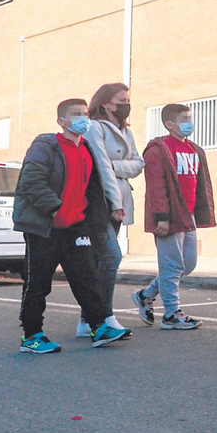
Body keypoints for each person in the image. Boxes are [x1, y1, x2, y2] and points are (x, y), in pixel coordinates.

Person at [13, 99, 130, 354]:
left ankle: (99, 327)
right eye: (76, 115)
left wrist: (92, 219)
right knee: (38, 283)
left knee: (86, 278)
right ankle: (31, 336)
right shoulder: (46, 145)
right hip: (45, 227)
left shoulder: (86, 148)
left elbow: (92, 188)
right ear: (61, 121)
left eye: (85, 114)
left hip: (76, 227)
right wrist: (56, 209)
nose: (83, 119)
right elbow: (31, 182)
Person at [131, 103, 216, 331]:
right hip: (169, 217)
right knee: (171, 265)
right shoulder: (159, 149)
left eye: (190, 118)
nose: (189, 123)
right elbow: (156, 186)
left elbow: (200, 185)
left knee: (187, 264)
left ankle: (145, 295)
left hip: (188, 215)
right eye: (184, 119)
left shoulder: (195, 149)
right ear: (170, 124)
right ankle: (171, 314)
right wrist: (162, 217)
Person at [82, 82, 141, 335]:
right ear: (105, 103)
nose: (126, 105)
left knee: (99, 261)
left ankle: (87, 322)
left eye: (127, 100)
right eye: (121, 100)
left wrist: (114, 164)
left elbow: (138, 165)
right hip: (101, 200)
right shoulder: (95, 127)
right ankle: (103, 317)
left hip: (119, 199)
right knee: (111, 257)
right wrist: (115, 202)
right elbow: (100, 165)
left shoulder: (126, 132)